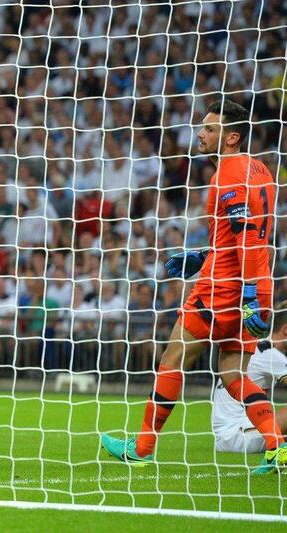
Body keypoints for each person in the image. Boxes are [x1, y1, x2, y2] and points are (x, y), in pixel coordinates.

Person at [100, 99, 285, 474]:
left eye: (210, 129)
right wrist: (205, 257)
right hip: (254, 283)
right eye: (202, 127)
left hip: (226, 290)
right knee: (233, 373)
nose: (200, 134)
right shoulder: (261, 169)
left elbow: (246, 235)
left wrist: (245, 291)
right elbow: (246, 235)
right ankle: (276, 445)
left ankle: (142, 447)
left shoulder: (227, 176)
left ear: (232, 138)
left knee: (172, 359)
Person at [213, 301, 287, 453]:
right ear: (285, 330)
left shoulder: (255, 349)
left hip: (226, 437)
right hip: (238, 435)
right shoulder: (270, 355)